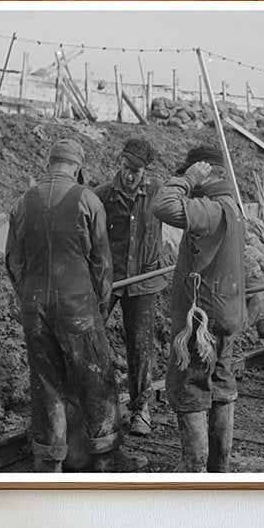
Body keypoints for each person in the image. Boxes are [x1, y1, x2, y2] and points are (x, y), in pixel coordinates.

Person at [5, 137, 145, 473]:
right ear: (78, 167)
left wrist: (29, 297)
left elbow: (13, 261)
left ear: (49, 163)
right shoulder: (88, 200)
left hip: (35, 307)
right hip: (77, 305)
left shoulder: (23, 203)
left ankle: (49, 458)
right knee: (96, 377)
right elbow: (102, 264)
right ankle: (105, 454)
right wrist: (98, 304)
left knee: (46, 381)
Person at [149, 144, 246, 473]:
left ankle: (195, 468)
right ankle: (220, 469)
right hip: (227, 313)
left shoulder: (211, 209)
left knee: (189, 386)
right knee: (221, 383)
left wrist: (188, 178)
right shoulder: (233, 207)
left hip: (200, 321)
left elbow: (162, 205)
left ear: (208, 171)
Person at [93, 138, 164, 437]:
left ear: (146, 171)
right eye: (124, 168)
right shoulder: (102, 196)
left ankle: (140, 409)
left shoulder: (159, 195)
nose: (129, 175)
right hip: (110, 280)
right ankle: (94, 407)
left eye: (135, 171)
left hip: (144, 281)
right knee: (92, 338)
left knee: (140, 346)